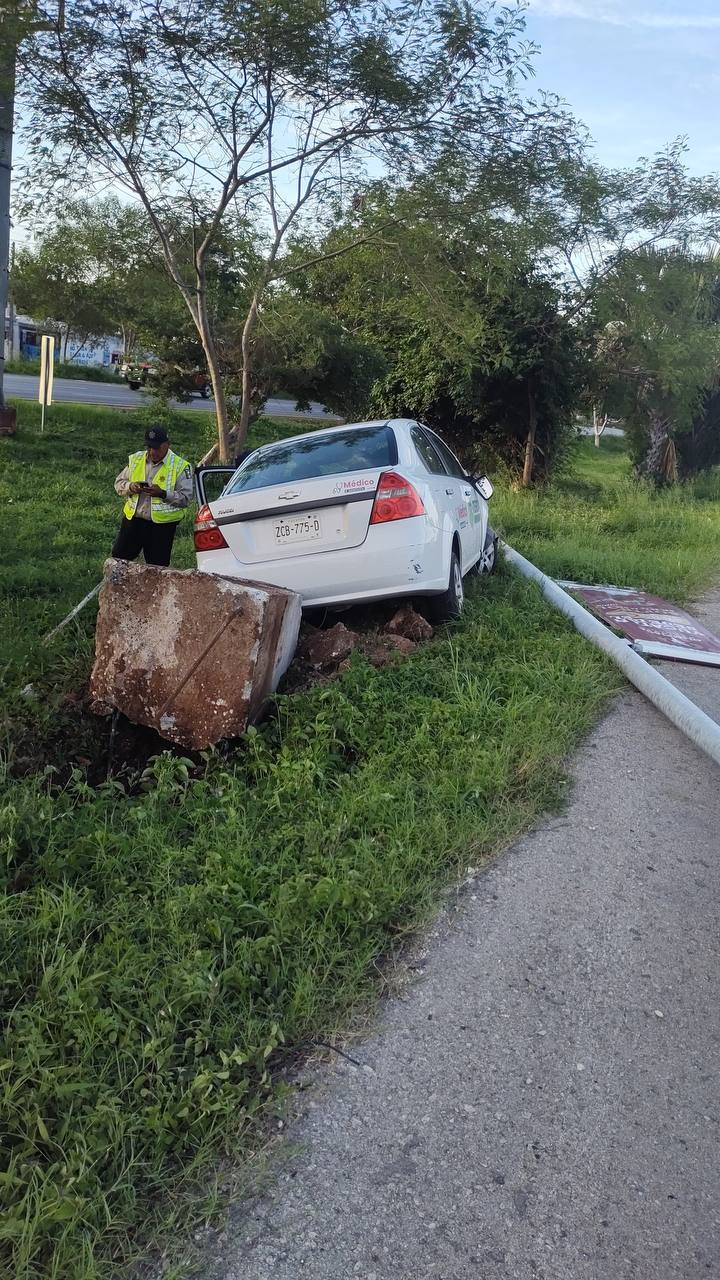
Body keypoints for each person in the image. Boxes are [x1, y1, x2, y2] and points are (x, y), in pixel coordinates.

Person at [113, 426, 193, 566]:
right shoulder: (136, 459)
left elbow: (185, 498)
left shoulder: (180, 466)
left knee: (157, 567)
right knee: (119, 561)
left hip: (161, 527)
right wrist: (131, 487)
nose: (152, 452)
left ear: (168, 444)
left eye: (157, 448)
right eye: (149, 447)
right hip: (133, 521)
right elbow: (119, 483)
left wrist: (163, 494)